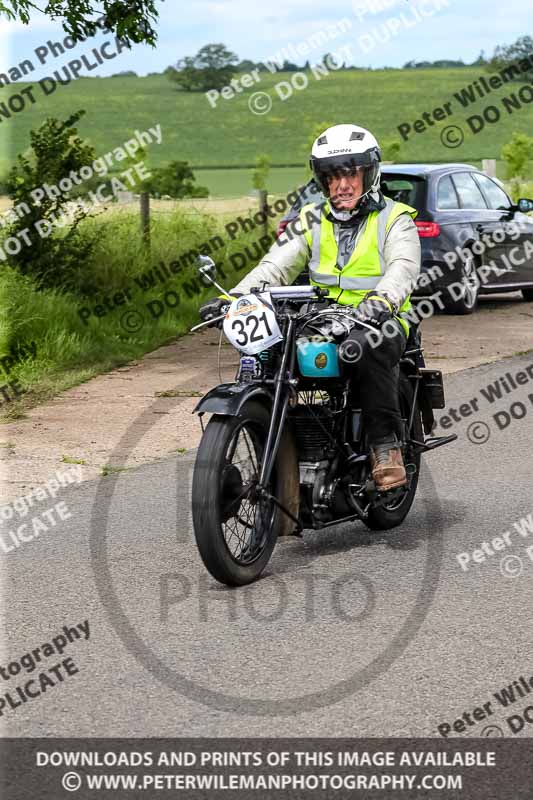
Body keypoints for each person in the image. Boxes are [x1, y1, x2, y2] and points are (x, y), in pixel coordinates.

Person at [199, 124, 421, 492]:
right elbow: (276, 266)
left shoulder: (394, 219)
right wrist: (233, 299)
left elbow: (403, 267)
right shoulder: (311, 220)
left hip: (380, 318)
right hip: (321, 317)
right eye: (333, 177)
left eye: (351, 173)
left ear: (369, 173)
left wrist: (382, 301)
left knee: (363, 348)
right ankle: (282, 440)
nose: (342, 185)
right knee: (270, 348)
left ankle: (385, 446)